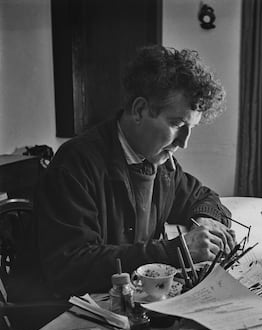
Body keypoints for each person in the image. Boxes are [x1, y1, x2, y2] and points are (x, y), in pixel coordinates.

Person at [33, 45, 236, 298]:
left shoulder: (161, 164)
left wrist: (207, 220)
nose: (184, 143)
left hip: (133, 301)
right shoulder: (75, 164)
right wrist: (178, 250)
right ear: (139, 110)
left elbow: (204, 197)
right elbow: (71, 267)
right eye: (177, 124)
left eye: (191, 128)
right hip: (79, 315)